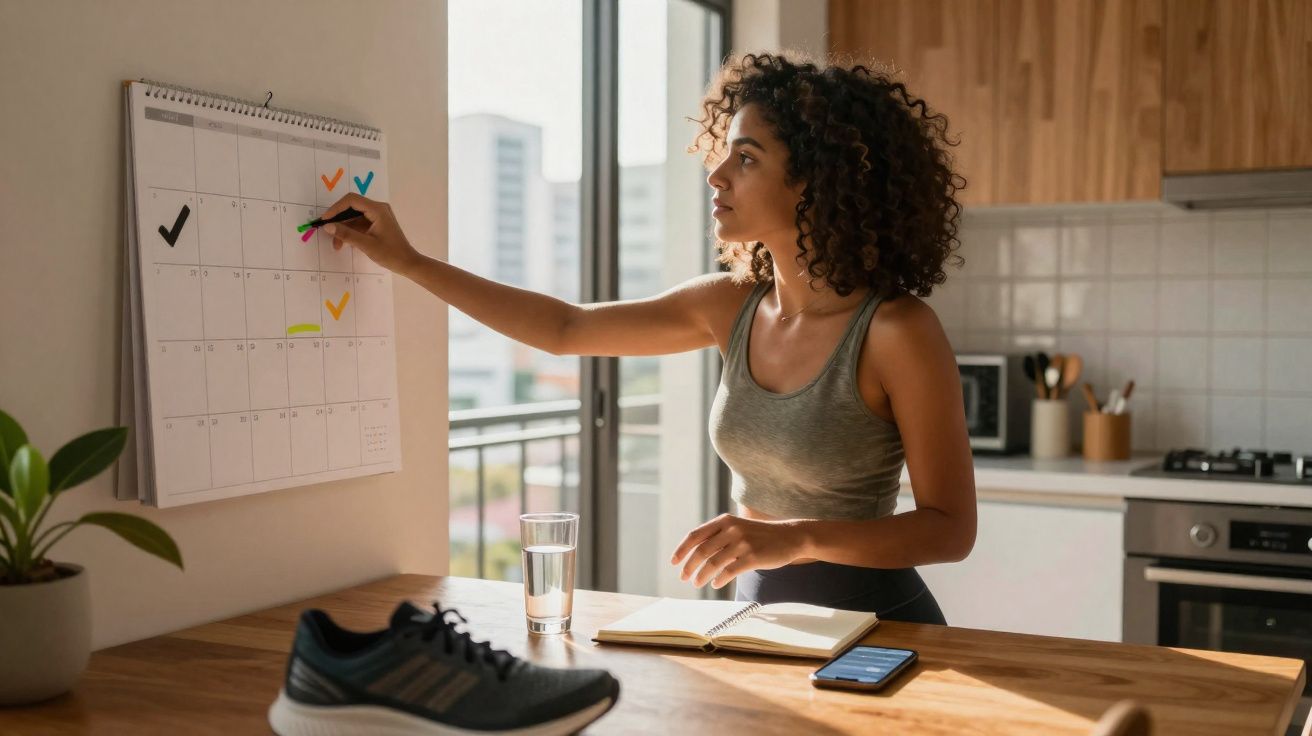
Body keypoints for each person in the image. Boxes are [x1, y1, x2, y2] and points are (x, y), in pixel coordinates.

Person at [320, 51, 976, 625]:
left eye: (745, 159)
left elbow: (950, 530)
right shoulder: (728, 308)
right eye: (723, 153)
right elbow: (564, 329)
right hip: (756, 618)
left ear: (813, 183)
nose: (716, 176)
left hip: (882, 627)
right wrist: (407, 261)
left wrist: (791, 539)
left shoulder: (896, 331)